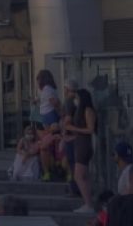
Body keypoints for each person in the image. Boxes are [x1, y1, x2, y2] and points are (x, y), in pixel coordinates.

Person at [65, 87, 97, 215]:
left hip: (84, 145)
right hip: (79, 142)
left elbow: (90, 129)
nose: (76, 100)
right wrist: (71, 136)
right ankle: (88, 203)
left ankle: (88, 204)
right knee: (83, 175)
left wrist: (73, 128)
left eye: (77, 98)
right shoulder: (80, 110)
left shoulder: (88, 110)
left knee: (78, 175)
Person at [34, 70, 61, 178]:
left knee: (48, 140)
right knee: (51, 140)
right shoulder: (49, 89)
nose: (37, 82)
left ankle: (51, 168)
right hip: (47, 115)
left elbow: (53, 102)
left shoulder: (47, 89)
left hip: (48, 115)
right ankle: (53, 165)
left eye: (38, 79)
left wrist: (60, 110)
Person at [61, 78, 80, 195]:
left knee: (72, 163)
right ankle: (76, 187)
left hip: (71, 137)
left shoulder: (69, 101)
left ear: (67, 89)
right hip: (77, 136)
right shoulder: (78, 100)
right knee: (75, 163)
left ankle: (74, 188)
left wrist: (63, 135)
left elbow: (67, 119)